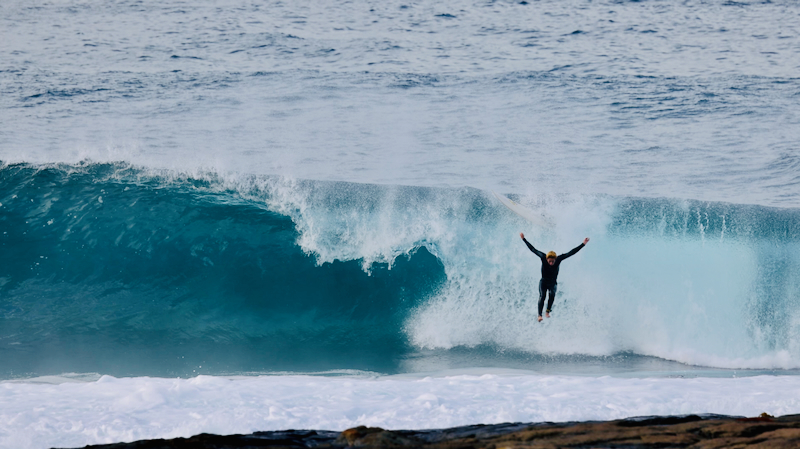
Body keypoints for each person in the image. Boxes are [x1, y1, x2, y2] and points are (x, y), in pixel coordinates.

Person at [520, 233, 589, 322]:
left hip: (553, 282)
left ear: (555, 259)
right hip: (543, 282)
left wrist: (583, 244)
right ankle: (539, 315)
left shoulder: (558, 259)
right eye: (550, 261)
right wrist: (524, 239)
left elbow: (571, 253)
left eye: (553, 261)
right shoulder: (543, 257)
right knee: (542, 296)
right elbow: (533, 249)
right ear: (547, 259)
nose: (551, 263)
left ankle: (547, 312)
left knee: (552, 294)